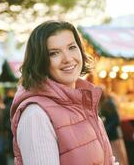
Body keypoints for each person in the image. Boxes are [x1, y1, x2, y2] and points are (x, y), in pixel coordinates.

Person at [10, 20, 115, 165]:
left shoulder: (83, 103)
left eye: (72, 47)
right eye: (54, 53)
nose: (67, 59)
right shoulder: (36, 115)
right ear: (40, 62)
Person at [100, 92, 129, 165]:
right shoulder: (103, 104)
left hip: (115, 136)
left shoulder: (109, 104)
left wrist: (105, 130)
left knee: (120, 159)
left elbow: (116, 120)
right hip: (110, 137)